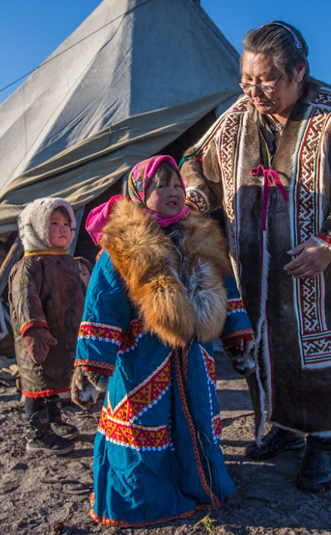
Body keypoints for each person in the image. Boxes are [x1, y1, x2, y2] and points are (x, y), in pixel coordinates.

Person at [180, 21, 331, 492]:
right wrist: (196, 198)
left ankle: (325, 443)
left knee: (322, 360)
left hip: (324, 277)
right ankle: (283, 429)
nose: (252, 89)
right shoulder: (236, 117)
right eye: (245, 78)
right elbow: (194, 159)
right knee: (266, 353)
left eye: (265, 79)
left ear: (299, 71)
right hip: (253, 271)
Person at [70, 155, 253, 527]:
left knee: (197, 419)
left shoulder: (200, 236)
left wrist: (237, 335)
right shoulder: (122, 248)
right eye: (161, 185)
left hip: (195, 357)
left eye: (176, 185)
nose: (172, 192)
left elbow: (224, 287)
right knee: (143, 427)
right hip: (143, 358)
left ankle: (197, 487)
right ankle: (142, 501)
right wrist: (92, 363)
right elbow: (102, 305)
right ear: (140, 193)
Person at [8, 198, 87, 456]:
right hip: (40, 335)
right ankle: (37, 434)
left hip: (64, 333)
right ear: (36, 228)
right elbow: (25, 301)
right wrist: (35, 331)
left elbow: (80, 293)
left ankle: (54, 421)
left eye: (67, 223)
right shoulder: (30, 265)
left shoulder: (67, 261)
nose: (63, 228)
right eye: (54, 223)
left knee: (55, 380)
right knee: (37, 382)